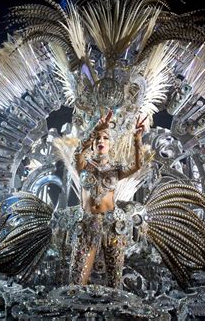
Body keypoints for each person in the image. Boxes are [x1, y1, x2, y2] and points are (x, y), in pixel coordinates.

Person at [69, 110, 146, 288]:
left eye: (105, 138)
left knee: (114, 283)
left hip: (112, 226)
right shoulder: (83, 165)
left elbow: (137, 165)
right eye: (98, 138)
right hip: (87, 225)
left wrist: (137, 140)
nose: (101, 141)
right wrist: (94, 130)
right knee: (76, 282)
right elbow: (78, 152)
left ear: (110, 144)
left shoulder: (116, 169)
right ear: (92, 144)